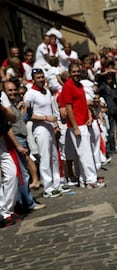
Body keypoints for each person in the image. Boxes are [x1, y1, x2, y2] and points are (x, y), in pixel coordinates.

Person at [24, 68, 69, 198]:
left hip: (50, 127)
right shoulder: (30, 94)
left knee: (54, 156)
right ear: (33, 79)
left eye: (42, 77)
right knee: (45, 156)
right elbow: (27, 115)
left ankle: (56, 183)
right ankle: (48, 187)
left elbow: (51, 110)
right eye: (38, 77)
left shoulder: (47, 91)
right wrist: (45, 118)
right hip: (40, 128)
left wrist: (55, 125)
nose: (41, 79)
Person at [4, 81, 46, 213]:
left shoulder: (14, 104)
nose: (13, 92)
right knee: (22, 174)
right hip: (16, 140)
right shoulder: (6, 107)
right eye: (9, 90)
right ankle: (27, 203)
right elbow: (9, 126)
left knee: (22, 173)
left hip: (21, 139)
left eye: (14, 90)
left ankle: (22, 203)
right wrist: (17, 144)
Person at [61, 63, 105, 189]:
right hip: (77, 124)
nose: (76, 74)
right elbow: (68, 108)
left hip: (84, 122)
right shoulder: (68, 86)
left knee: (86, 152)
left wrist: (89, 117)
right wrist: (75, 127)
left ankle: (84, 179)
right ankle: (91, 180)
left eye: (78, 71)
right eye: (73, 72)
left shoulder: (79, 85)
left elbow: (83, 104)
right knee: (85, 153)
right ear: (69, 72)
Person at [0, 85, 18, 227]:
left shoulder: (1, 95)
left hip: (2, 139)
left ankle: (7, 210)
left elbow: (13, 119)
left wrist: (3, 108)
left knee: (12, 174)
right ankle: (3, 213)